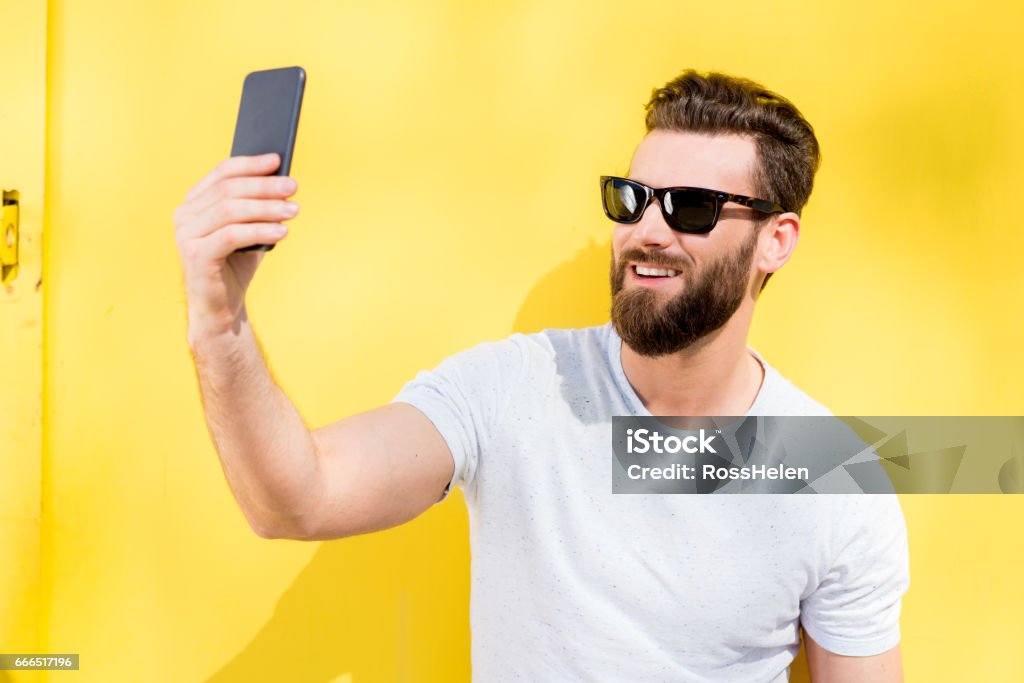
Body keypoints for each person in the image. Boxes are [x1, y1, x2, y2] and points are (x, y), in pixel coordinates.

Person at [174, 69, 910, 682]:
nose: (647, 230)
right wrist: (219, 316)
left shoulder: (838, 479)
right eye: (631, 198)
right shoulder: (510, 389)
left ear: (775, 240)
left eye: (690, 208)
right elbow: (296, 499)